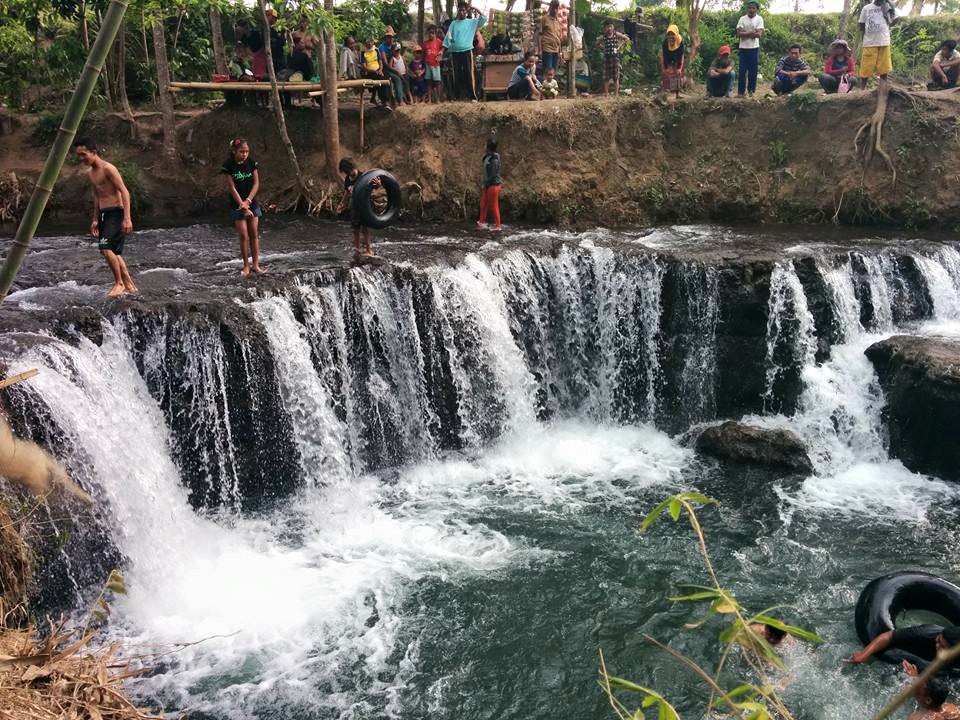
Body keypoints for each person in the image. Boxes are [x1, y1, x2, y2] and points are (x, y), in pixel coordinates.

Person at [74, 139, 138, 297]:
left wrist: (127, 218)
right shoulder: (90, 173)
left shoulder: (108, 169)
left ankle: (119, 283)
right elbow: (97, 197)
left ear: (93, 152)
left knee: (105, 248)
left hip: (116, 212)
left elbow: (124, 191)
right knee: (111, 251)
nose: (81, 158)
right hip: (104, 214)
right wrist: (95, 219)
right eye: (78, 155)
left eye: (83, 154)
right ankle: (129, 284)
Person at [220, 138, 263, 277]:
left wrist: (248, 201)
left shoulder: (251, 163)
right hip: (237, 204)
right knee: (244, 235)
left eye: (247, 151)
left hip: (252, 202)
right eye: (241, 151)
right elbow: (232, 188)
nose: (244, 154)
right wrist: (243, 206)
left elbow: (256, 183)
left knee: (254, 234)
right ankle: (246, 265)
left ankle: (255, 264)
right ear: (234, 151)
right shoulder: (228, 165)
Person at [847, 625, 960, 667]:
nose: (937, 644)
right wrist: (864, 654)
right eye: (938, 640)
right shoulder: (927, 632)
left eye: (942, 646)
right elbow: (888, 636)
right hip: (919, 652)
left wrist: (915, 679)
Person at [443, 1, 486, 101]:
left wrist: (475, 8)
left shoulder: (472, 22)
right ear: (458, 11)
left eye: (463, 10)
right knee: (456, 74)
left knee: (469, 73)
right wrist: (442, 51)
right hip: (455, 52)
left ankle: (472, 96)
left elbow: (483, 18)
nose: (461, 12)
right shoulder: (453, 23)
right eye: (460, 10)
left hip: (467, 51)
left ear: (466, 11)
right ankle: (457, 96)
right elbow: (448, 38)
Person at [337, 157, 377, 257]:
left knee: (365, 228)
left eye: (350, 170)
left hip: (365, 205)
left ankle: (369, 250)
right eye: (346, 172)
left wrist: (378, 184)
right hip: (355, 206)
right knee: (355, 229)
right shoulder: (347, 179)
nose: (349, 173)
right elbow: (347, 192)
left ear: (353, 167)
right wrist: (342, 204)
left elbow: (375, 186)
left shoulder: (363, 177)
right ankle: (357, 250)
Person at [858, 0, 897, 90]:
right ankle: (862, 90)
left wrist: (888, 24)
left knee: (884, 69)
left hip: (884, 42)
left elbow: (896, 18)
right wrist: (869, 35)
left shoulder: (888, 6)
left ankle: (882, 90)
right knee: (865, 68)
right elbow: (861, 24)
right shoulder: (866, 8)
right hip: (869, 43)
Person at [736, 0, 764, 97]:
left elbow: (759, 35)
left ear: (756, 9)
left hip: (754, 48)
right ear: (747, 9)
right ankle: (740, 92)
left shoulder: (759, 19)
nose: (751, 10)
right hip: (743, 49)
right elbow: (738, 34)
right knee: (742, 71)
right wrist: (752, 32)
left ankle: (751, 91)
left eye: (753, 8)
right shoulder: (742, 19)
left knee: (753, 71)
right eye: (749, 8)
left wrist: (745, 33)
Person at [596, 21, 630, 97]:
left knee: (616, 77)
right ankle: (606, 94)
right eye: (607, 27)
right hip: (607, 58)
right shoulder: (604, 36)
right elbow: (597, 44)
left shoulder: (616, 34)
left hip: (615, 58)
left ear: (613, 27)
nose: (609, 28)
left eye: (610, 26)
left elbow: (626, 38)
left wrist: (619, 46)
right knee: (606, 78)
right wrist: (603, 48)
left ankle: (616, 94)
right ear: (605, 28)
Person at [477, 138, 503, 231]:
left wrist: (485, 184)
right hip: (488, 184)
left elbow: (493, 175)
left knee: (494, 206)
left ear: (488, 147)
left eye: (486, 144)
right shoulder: (489, 156)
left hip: (493, 185)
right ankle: (481, 223)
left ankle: (498, 227)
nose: (484, 146)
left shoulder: (494, 160)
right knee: (483, 204)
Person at [360, 38, 390, 109]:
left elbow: (380, 62)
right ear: (365, 44)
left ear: (373, 43)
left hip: (378, 71)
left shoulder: (376, 50)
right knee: (380, 79)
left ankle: (384, 100)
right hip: (369, 72)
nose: (369, 43)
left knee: (385, 76)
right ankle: (384, 101)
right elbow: (364, 67)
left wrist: (380, 70)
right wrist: (374, 71)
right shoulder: (363, 53)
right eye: (367, 42)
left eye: (371, 42)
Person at [539, 0, 564, 75]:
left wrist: (560, 53)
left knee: (553, 73)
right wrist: (540, 49)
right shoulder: (544, 19)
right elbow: (539, 35)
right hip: (547, 49)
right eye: (553, 8)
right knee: (547, 72)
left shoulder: (558, 22)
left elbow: (559, 38)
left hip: (556, 50)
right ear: (550, 8)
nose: (555, 10)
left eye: (557, 8)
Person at [660, 24, 685, 97]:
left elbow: (680, 55)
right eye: (669, 34)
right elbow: (664, 55)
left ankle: (677, 94)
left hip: (677, 57)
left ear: (676, 34)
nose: (671, 36)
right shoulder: (665, 43)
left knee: (678, 74)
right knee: (667, 74)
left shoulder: (680, 42)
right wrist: (666, 67)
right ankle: (666, 93)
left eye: (673, 34)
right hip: (668, 57)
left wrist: (679, 67)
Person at [423, 25, 444, 102]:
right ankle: (430, 99)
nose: (431, 34)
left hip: (436, 64)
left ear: (435, 34)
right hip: (428, 64)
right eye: (429, 33)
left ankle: (438, 99)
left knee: (437, 82)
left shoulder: (438, 41)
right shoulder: (425, 43)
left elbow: (443, 47)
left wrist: (441, 52)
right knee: (429, 82)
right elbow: (423, 54)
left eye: (432, 33)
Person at [265, 8, 285, 74]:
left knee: (281, 74)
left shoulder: (280, 28)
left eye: (268, 15)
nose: (267, 17)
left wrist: (274, 41)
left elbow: (282, 42)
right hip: (269, 57)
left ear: (273, 17)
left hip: (279, 57)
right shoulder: (265, 29)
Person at [387, 43, 407, 108]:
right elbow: (390, 66)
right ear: (393, 51)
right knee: (398, 85)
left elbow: (405, 65)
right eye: (396, 50)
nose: (398, 52)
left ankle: (407, 99)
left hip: (404, 73)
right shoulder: (392, 58)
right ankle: (400, 100)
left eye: (398, 50)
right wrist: (396, 71)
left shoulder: (402, 57)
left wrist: (407, 72)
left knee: (406, 86)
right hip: (397, 74)